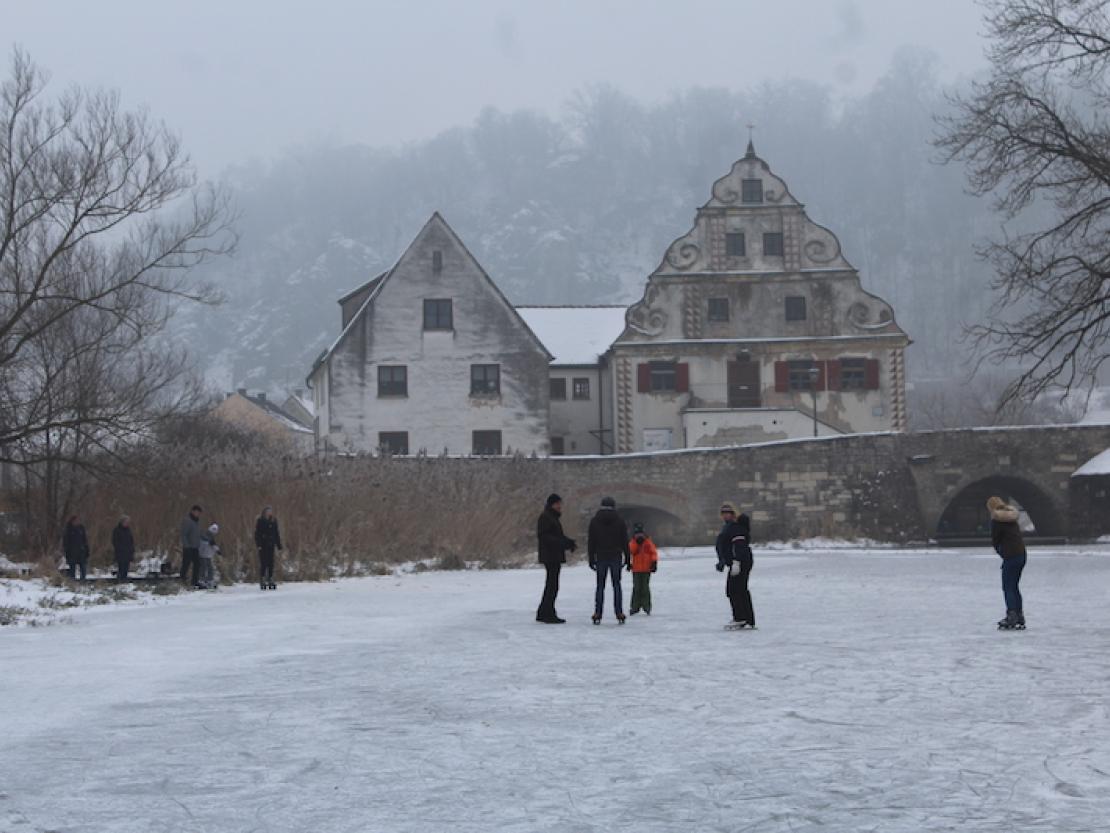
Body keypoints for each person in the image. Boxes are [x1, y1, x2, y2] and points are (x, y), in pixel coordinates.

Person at [588, 496, 630, 625]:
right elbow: (624, 541)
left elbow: (591, 541)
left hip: (601, 556)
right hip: (615, 556)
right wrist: (628, 558)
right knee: (616, 585)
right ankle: (619, 612)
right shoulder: (620, 521)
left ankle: (598, 612)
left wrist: (591, 558)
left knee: (600, 585)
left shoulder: (594, 521)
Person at [988, 496, 1027, 630]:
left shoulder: (996, 520)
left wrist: (1001, 551)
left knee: (1008, 586)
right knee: (1015, 586)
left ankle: (1011, 614)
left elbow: (995, 539)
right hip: (1021, 554)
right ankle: (1019, 614)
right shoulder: (1012, 517)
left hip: (1010, 556)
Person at [536, 493, 575, 623]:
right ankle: (548, 613)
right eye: (557, 504)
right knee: (552, 585)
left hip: (554, 555)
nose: (560, 506)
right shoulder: (546, 517)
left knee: (552, 585)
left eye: (560, 504)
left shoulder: (552, 517)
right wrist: (561, 543)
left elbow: (557, 536)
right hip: (550, 556)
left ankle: (543, 612)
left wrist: (569, 542)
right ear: (551, 504)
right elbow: (545, 536)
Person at [715, 502, 755, 629]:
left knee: (733, 590)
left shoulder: (736, 527)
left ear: (733, 514)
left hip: (740, 561)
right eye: (724, 513)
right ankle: (747, 619)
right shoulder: (729, 527)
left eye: (728, 513)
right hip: (738, 561)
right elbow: (724, 546)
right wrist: (722, 561)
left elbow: (739, 546)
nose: (726, 516)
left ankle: (740, 618)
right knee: (740, 589)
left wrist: (736, 562)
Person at [628, 522, 659, 616]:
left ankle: (646, 606)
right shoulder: (633, 542)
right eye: (637, 534)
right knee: (636, 588)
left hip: (646, 568)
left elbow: (653, 552)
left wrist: (654, 562)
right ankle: (635, 607)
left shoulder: (648, 542)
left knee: (645, 588)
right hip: (636, 569)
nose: (639, 536)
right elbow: (630, 551)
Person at [254, 506, 283, 590]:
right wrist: (258, 544)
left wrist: (278, 545)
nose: (269, 513)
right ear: (264, 512)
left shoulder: (274, 521)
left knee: (271, 562)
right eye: (268, 511)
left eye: (271, 511)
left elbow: (276, 533)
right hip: (263, 545)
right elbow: (257, 533)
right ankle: (262, 578)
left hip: (271, 544)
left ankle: (270, 578)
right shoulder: (260, 521)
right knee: (263, 562)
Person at [180, 505, 203, 587]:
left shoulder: (197, 522)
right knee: (186, 563)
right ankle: (182, 580)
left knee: (197, 564)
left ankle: (194, 581)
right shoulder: (187, 521)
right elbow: (184, 535)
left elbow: (198, 534)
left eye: (199, 513)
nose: (198, 514)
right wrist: (186, 546)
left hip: (195, 547)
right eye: (197, 512)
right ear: (193, 511)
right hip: (188, 547)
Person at [63, 515, 90, 580]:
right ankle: (72, 580)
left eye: (78, 521)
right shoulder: (68, 529)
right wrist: (67, 551)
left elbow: (85, 540)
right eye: (75, 521)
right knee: (72, 567)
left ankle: (83, 580)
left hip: (81, 551)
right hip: (72, 552)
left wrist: (87, 550)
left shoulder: (81, 528)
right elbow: (66, 542)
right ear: (72, 521)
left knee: (83, 567)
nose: (77, 522)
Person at [111, 516, 135, 583]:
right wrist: (120, 548)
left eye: (128, 522)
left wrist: (132, 549)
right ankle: (120, 579)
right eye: (126, 522)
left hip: (128, 552)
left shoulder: (128, 530)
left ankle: (124, 578)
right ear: (122, 522)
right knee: (121, 566)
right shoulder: (117, 530)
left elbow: (131, 541)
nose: (127, 523)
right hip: (120, 552)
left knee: (126, 567)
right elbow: (115, 541)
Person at [198, 523, 220, 590]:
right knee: (204, 567)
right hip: (203, 554)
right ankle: (202, 581)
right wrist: (218, 551)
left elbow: (212, 544)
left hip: (207, 554)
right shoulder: (207, 535)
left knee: (209, 567)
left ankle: (208, 581)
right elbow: (212, 544)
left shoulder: (208, 535)